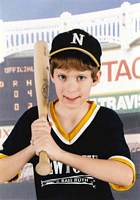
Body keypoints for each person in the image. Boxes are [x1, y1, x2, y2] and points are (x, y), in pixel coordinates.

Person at [0, 29, 136, 200]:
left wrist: (60, 155)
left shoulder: (105, 119)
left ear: (96, 78)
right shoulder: (34, 118)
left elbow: (125, 176)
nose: (71, 88)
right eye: (63, 77)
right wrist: (33, 147)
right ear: (51, 76)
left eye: (80, 77)